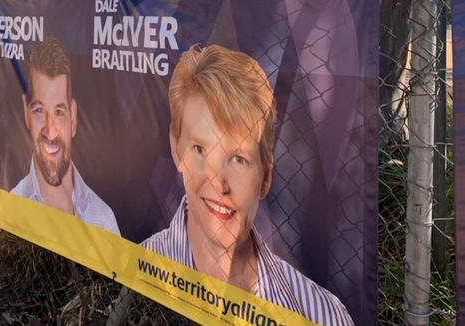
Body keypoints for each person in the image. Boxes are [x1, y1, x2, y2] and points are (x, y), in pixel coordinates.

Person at [142, 45, 353, 325]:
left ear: (265, 177)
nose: (219, 182)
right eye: (200, 150)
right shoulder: (139, 267)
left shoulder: (322, 314)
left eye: (238, 159)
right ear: (176, 149)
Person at [11, 37, 120, 235]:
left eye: (59, 112)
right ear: (26, 113)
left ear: (73, 118)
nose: (50, 131)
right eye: (39, 110)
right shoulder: (11, 209)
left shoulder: (103, 220)